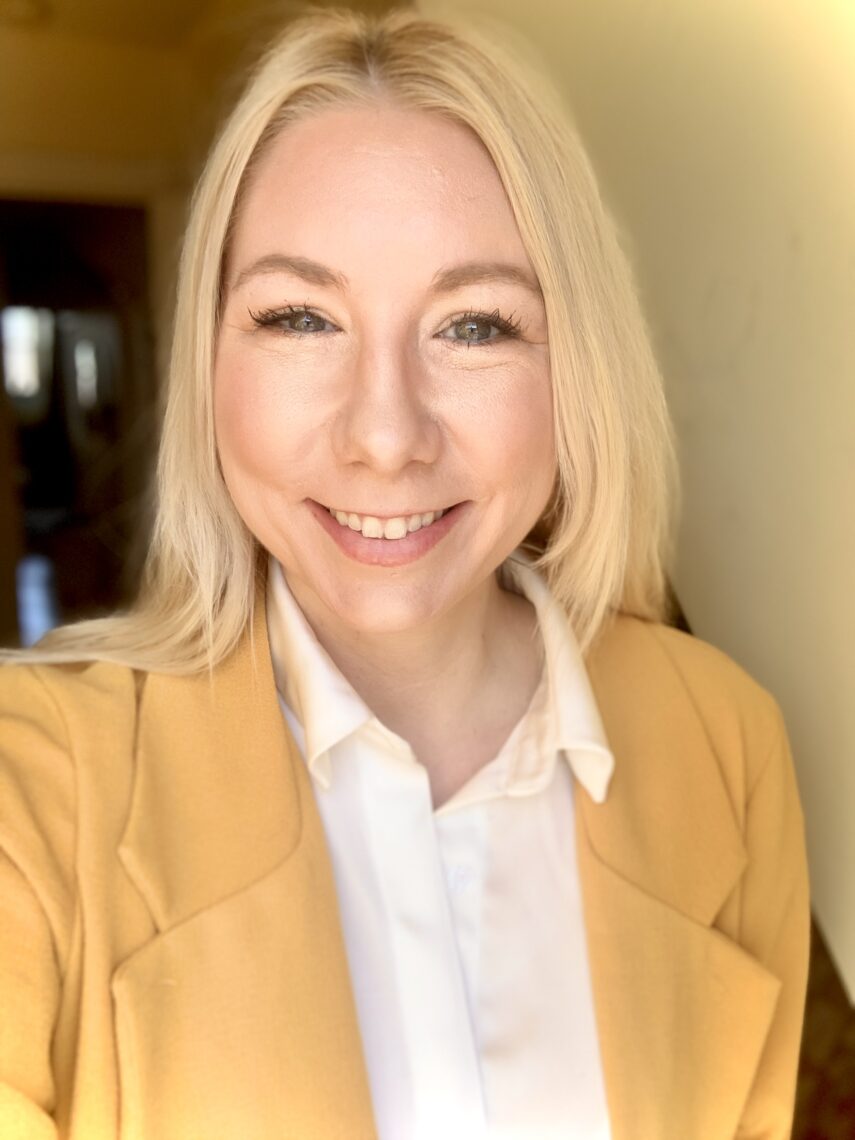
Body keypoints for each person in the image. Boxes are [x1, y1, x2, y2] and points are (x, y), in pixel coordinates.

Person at [0, 6, 809, 1139]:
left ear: (576, 365)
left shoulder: (728, 743)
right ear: (208, 362)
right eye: (298, 317)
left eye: (475, 326)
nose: (385, 436)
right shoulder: (31, 786)